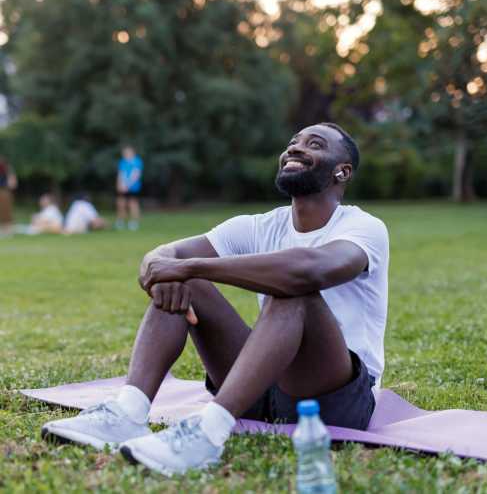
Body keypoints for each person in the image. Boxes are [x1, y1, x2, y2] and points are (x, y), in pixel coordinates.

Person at [42, 123, 389, 478]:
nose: (295, 149)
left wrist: (188, 265)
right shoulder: (258, 226)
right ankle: (128, 413)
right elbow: (163, 255)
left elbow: (309, 271)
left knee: (292, 292)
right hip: (262, 391)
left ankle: (208, 433)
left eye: (313, 144)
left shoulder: (364, 227)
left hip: (334, 398)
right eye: (292, 143)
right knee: (185, 280)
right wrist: (165, 270)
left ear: (341, 172)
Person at [115, 146, 143, 231]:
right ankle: (121, 221)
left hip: (133, 187)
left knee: (133, 204)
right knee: (121, 203)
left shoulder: (137, 161)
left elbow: (136, 175)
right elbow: (121, 173)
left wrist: (127, 185)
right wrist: (119, 184)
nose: (126, 154)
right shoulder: (122, 162)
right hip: (122, 186)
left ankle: (134, 222)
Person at [0, 157, 17, 233]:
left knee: (5, 211)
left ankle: (7, 230)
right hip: (4, 190)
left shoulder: (7, 169)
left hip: (4, 191)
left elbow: (13, 183)